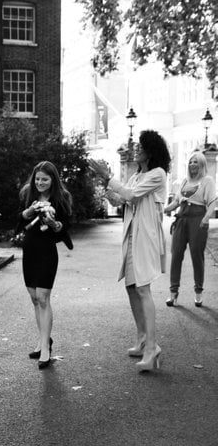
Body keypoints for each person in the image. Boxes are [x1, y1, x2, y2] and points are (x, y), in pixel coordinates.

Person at [95, 130, 171, 373]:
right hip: (131, 235)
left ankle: (152, 347)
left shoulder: (157, 174)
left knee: (142, 288)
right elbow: (121, 201)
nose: (136, 150)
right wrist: (105, 185)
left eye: (140, 147)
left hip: (145, 237)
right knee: (131, 286)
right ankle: (141, 339)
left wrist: (109, 177)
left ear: (151, 150)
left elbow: (130, 194)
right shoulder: (137, 174)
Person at [17, 159, 74, 369]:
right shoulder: (27, 194)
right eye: (38, 178)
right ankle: (43, 339)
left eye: (45, 179)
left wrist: (54, 223)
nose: (40, 182)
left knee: (43, 297)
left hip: (47, 251)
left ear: (53, 180)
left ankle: (46, 350)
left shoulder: (62, 198)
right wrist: (29, 212)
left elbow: (65, 226)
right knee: (34, 298)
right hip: (30, 248)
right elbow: (19, 219)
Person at [164, 150, 217, 308]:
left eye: (196, 162)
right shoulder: (184, 181)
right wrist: (163, 209)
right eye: (191, 161)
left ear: (202, 165)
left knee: (196, 255)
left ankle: (198, 293)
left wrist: (206, 218)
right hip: (182, 218)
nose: (192, 164)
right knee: (176, 255)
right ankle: (173, 294)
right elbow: (176, 202)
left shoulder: (207, 181)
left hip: (198, 219)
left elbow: (213, 202)